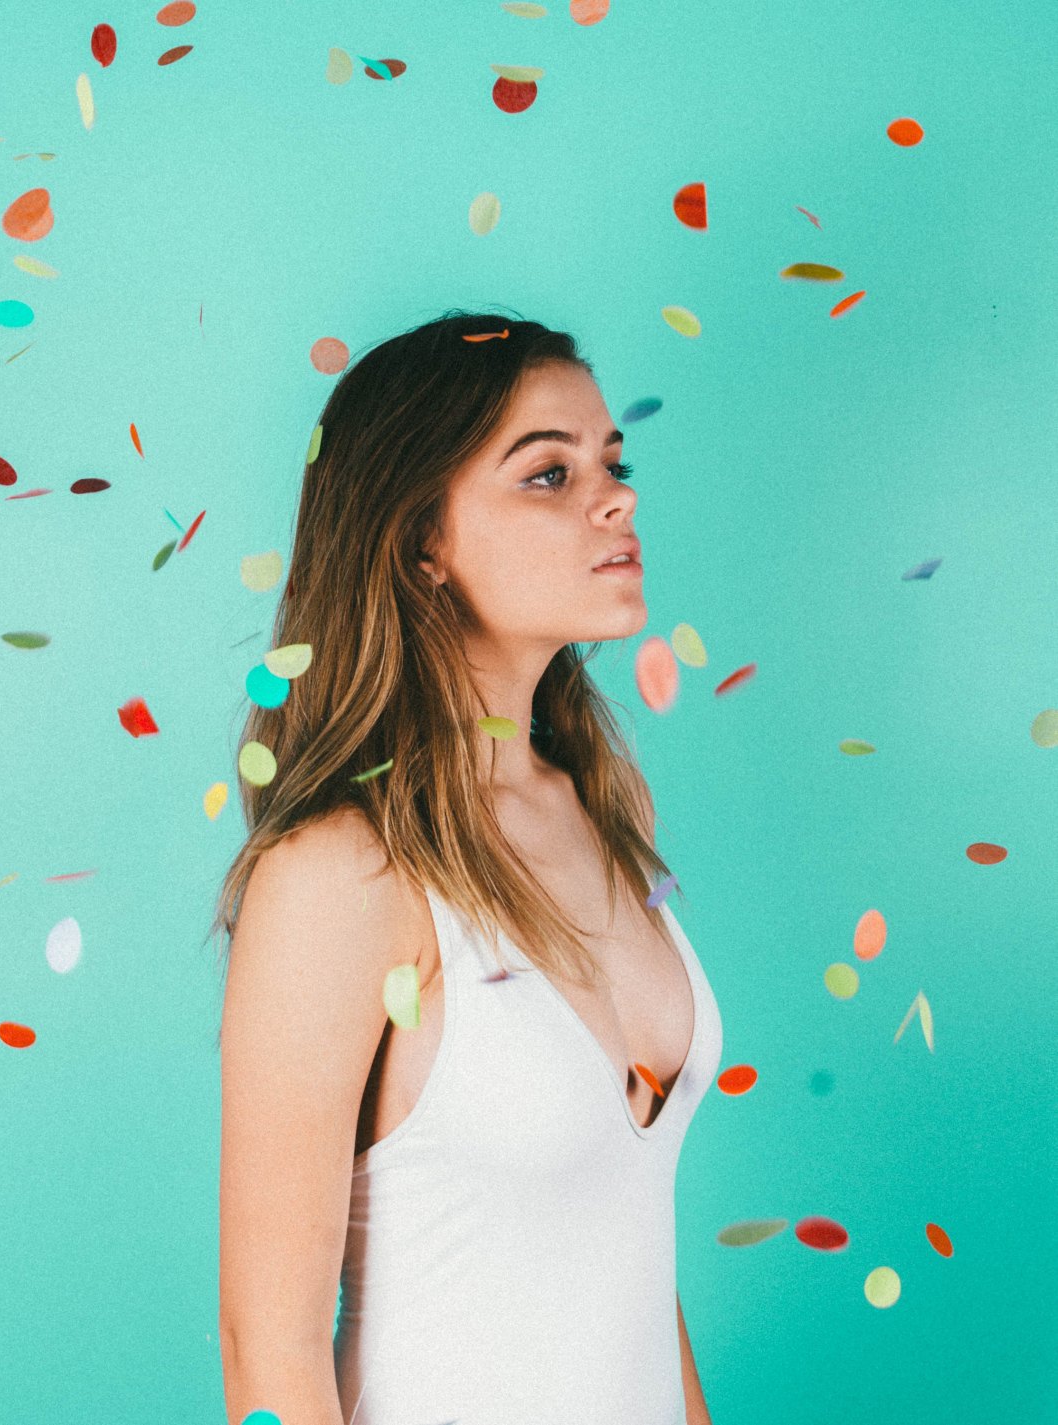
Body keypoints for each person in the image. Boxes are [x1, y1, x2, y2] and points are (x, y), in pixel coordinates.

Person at [210, 309, 723, 1425]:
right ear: (420, 543)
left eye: (611, 463)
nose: (615, 497)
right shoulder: (339, 877)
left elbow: (626, 1258)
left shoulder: (606, 804)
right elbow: (268, 1351)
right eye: (548, 474)